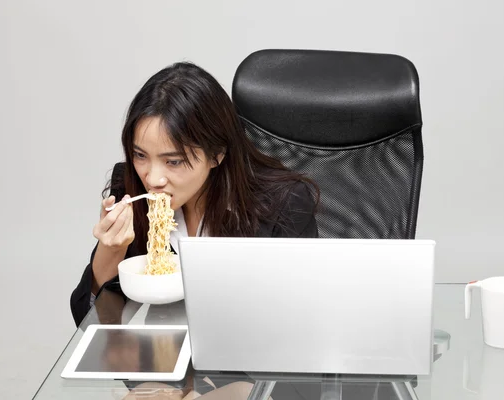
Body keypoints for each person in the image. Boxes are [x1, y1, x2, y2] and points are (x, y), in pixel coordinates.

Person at [69, 61, 319, 399]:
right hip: (163, 360)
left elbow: (299, 331)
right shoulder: (129, 187)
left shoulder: (283, 204)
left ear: (216, 154)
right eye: (141, 155)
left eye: (173, 162)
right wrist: (111, 249)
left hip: (255, 372)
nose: (153, 178)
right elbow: (93, 325)